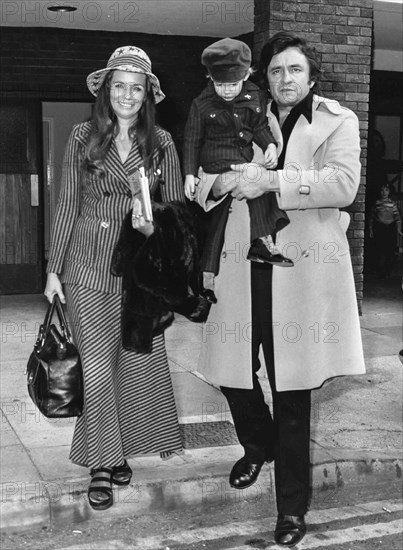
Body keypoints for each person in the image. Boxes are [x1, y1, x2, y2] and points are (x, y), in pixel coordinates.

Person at [194, 31, 366, 547]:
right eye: (275, 70)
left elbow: (342, 185)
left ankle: (291, 509)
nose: (284, 79)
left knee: (292, 392)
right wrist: (221, 183)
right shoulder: (238, 112)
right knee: (231, 369)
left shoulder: (339, 119)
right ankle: (258, 441)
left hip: (303, 273)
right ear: (263, 77)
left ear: (311, 75)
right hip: (241, 263)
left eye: (294, 70)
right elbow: (201, 178)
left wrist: (271, 182)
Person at [44, 46, 185, 511]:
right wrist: (53, 269)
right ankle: (103, 463)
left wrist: (154, 223)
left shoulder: (161, 142)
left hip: (139, 273)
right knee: (99, 369)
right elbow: (67, 204)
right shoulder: (83, 136)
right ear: (106, 90)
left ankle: (114, 448)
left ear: (147, 95)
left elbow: (178, 215)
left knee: (133, 365)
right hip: (87, 269)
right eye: (119, 85)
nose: (127, 94)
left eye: (136, 87)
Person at [184, 38, 292, 304]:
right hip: (216, 163)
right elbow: (191, 141)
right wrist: (189, 174)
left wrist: (269, 146)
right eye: (220, 84)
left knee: (230, 213)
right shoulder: (201, 104)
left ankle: (253, 246)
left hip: (243, 159)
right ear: (209, 76)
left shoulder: (256, 95)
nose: (227, 91)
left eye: (233, 83)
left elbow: (259, 127)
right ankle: (257, 244)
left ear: (246, 74)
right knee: (218, 225)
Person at [369, 183, 402, 278]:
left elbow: (398, 218)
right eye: (382, 190)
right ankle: (381, 272)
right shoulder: (376, 203)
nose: (384, 192)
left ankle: (388, 271)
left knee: (390, 251)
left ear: (389, 191)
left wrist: (399, 230)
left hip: (390, 230)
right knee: (380, 250)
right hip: (380, 229)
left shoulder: (392, 203)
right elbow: (371, 218)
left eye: (386, 190)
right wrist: (370, 229)